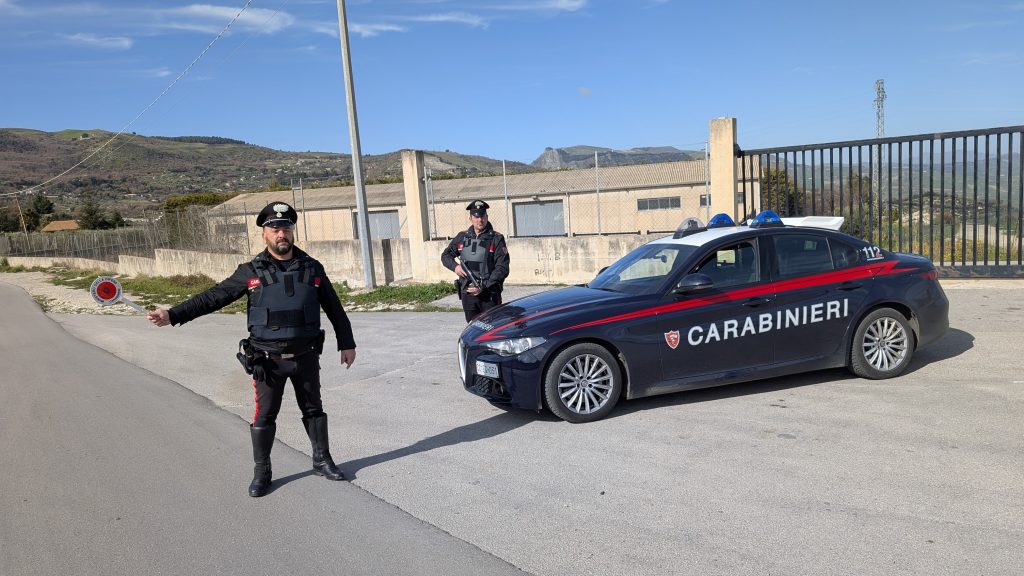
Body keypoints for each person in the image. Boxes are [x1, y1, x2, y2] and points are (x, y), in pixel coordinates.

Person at [147, 201, 357, 498]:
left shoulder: (313, 268)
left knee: (313, 410)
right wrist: (173, 314)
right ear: (264, 235)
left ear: (293, 231)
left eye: (285, 228)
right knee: (264, 417)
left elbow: (335, 308)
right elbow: (213, 297)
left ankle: (322, 460)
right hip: (267, 361)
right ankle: (262, 471)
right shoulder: (251, 271)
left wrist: (346, 343)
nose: (281, 233)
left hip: (306, 355)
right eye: (274, 228)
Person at [441, 200, 510, 322]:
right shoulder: (462, 237)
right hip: (468, 294)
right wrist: (456, 267)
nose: (480, 220)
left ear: (487, 217)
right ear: (471, 218)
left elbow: (502, 268)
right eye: (476, 217)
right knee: (473, 329)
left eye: (482, 216)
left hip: (489, 294)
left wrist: (484, 286)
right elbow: (446, 256)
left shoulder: (496, 238)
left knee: (493, 329)